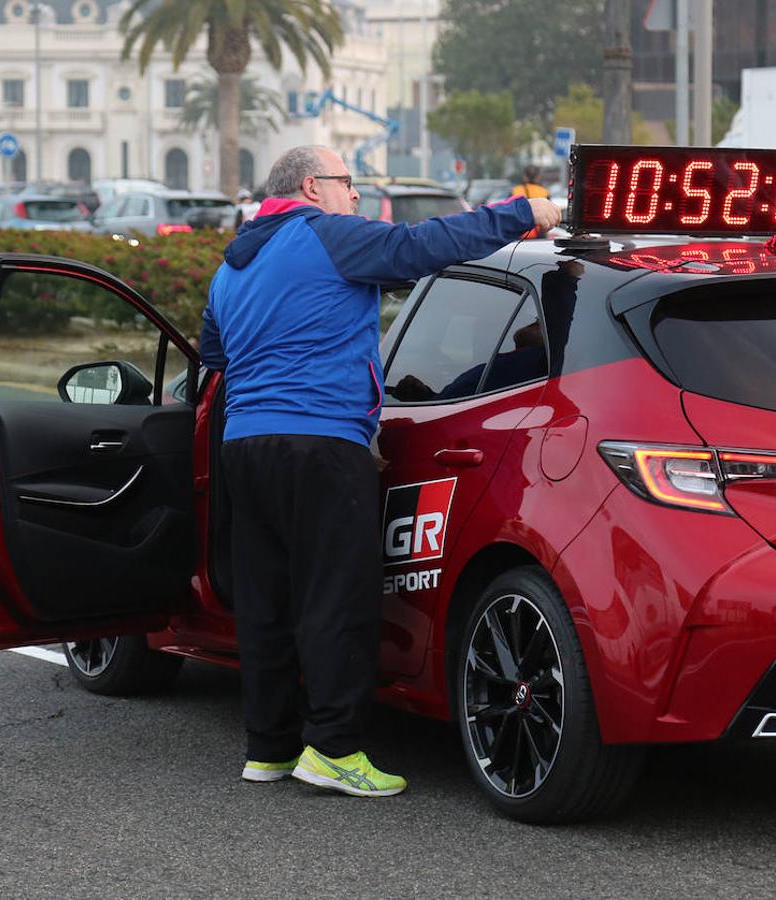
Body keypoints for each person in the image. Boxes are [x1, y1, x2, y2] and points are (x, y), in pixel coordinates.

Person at [200, 145, 560, 798]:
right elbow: (426, 245)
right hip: (321, 443)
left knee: (267, 602)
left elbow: (213, 352)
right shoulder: (328, 237)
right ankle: (334, 749)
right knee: (336, 597)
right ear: (312, 187)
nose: (356, 196)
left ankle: (269, 747)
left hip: (243, 447)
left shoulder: (232, 264)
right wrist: (523, 212)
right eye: (347, 183)